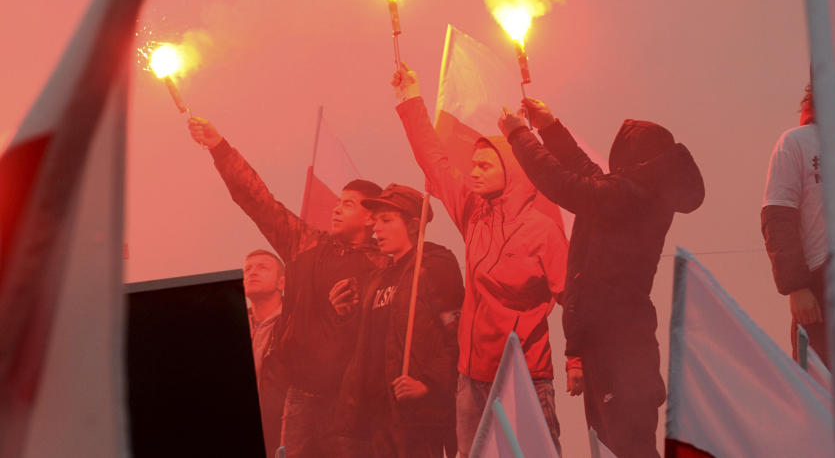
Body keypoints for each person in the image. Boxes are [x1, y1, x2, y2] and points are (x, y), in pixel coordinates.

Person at [498, 97, 705, 458]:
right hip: (607, 344)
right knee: (610, 447)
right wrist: (549, 128)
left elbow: (567, 184)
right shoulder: (630, 193)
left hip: (621, 348)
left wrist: (520, 137)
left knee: (628, 449)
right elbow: (585, 172)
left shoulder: (634, 198)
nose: (613, 164)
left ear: (638, 157)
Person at [391, 63, 576, 456]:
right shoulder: (473, 213)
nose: (472, 172)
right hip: (470, 380)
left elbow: (573, 299)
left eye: (484, 166)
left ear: (511, 170)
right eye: (472, 164)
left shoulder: (542, 230)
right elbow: (435, 162)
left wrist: (575, 359)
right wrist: (409, 100)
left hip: (524, 376)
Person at [187, 116, 385, 458]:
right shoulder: (306, 244)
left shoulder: (383, 267)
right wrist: (220, 149)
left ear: (371, 218)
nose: (337, 209)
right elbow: (258, 201)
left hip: (351, 401)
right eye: (338, 202)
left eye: (348, 204)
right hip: (300, 394)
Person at [331, 184, 464, 457]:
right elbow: (362, 347)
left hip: (418, 417)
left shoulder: (434, 265)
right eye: (376, 221)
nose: (376, 229)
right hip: (377, 418)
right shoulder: (378, 277)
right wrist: (344, 315)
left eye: (386, 220)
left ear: (414, 225)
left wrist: (428, 383)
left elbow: (457, 332)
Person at [761, 85, 830, 367]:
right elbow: (777, 217)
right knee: (820, 395)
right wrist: (797, 287)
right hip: (819, 287)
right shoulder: (797, 142)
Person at [242, 249, 287, 458]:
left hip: (284, 434)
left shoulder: (294, 323)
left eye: (262, 268)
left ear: (282, 283)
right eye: (247, 269)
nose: (252, 273)